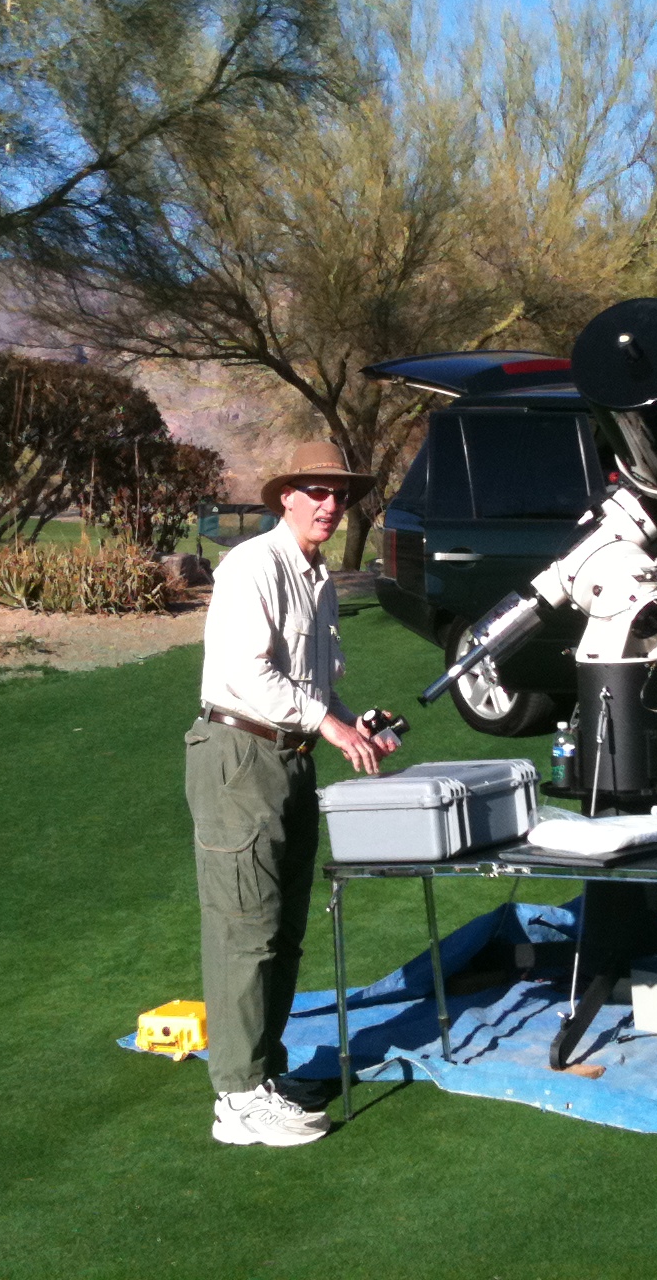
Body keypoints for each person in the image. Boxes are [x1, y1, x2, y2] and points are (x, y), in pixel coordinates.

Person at [186, 442, 400, 1147]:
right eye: (316, 491)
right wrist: (327, 724)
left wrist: (351, 724)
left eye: (341, 494)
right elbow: (248, 673)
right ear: (286, 496)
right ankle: (237, 1098)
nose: (330, 505)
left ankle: (266, 1074)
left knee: (283, 929)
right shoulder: (253, 564)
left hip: (292, 760)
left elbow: (314, 689)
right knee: (245, 929)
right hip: (239, 755)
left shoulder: (319, 578)